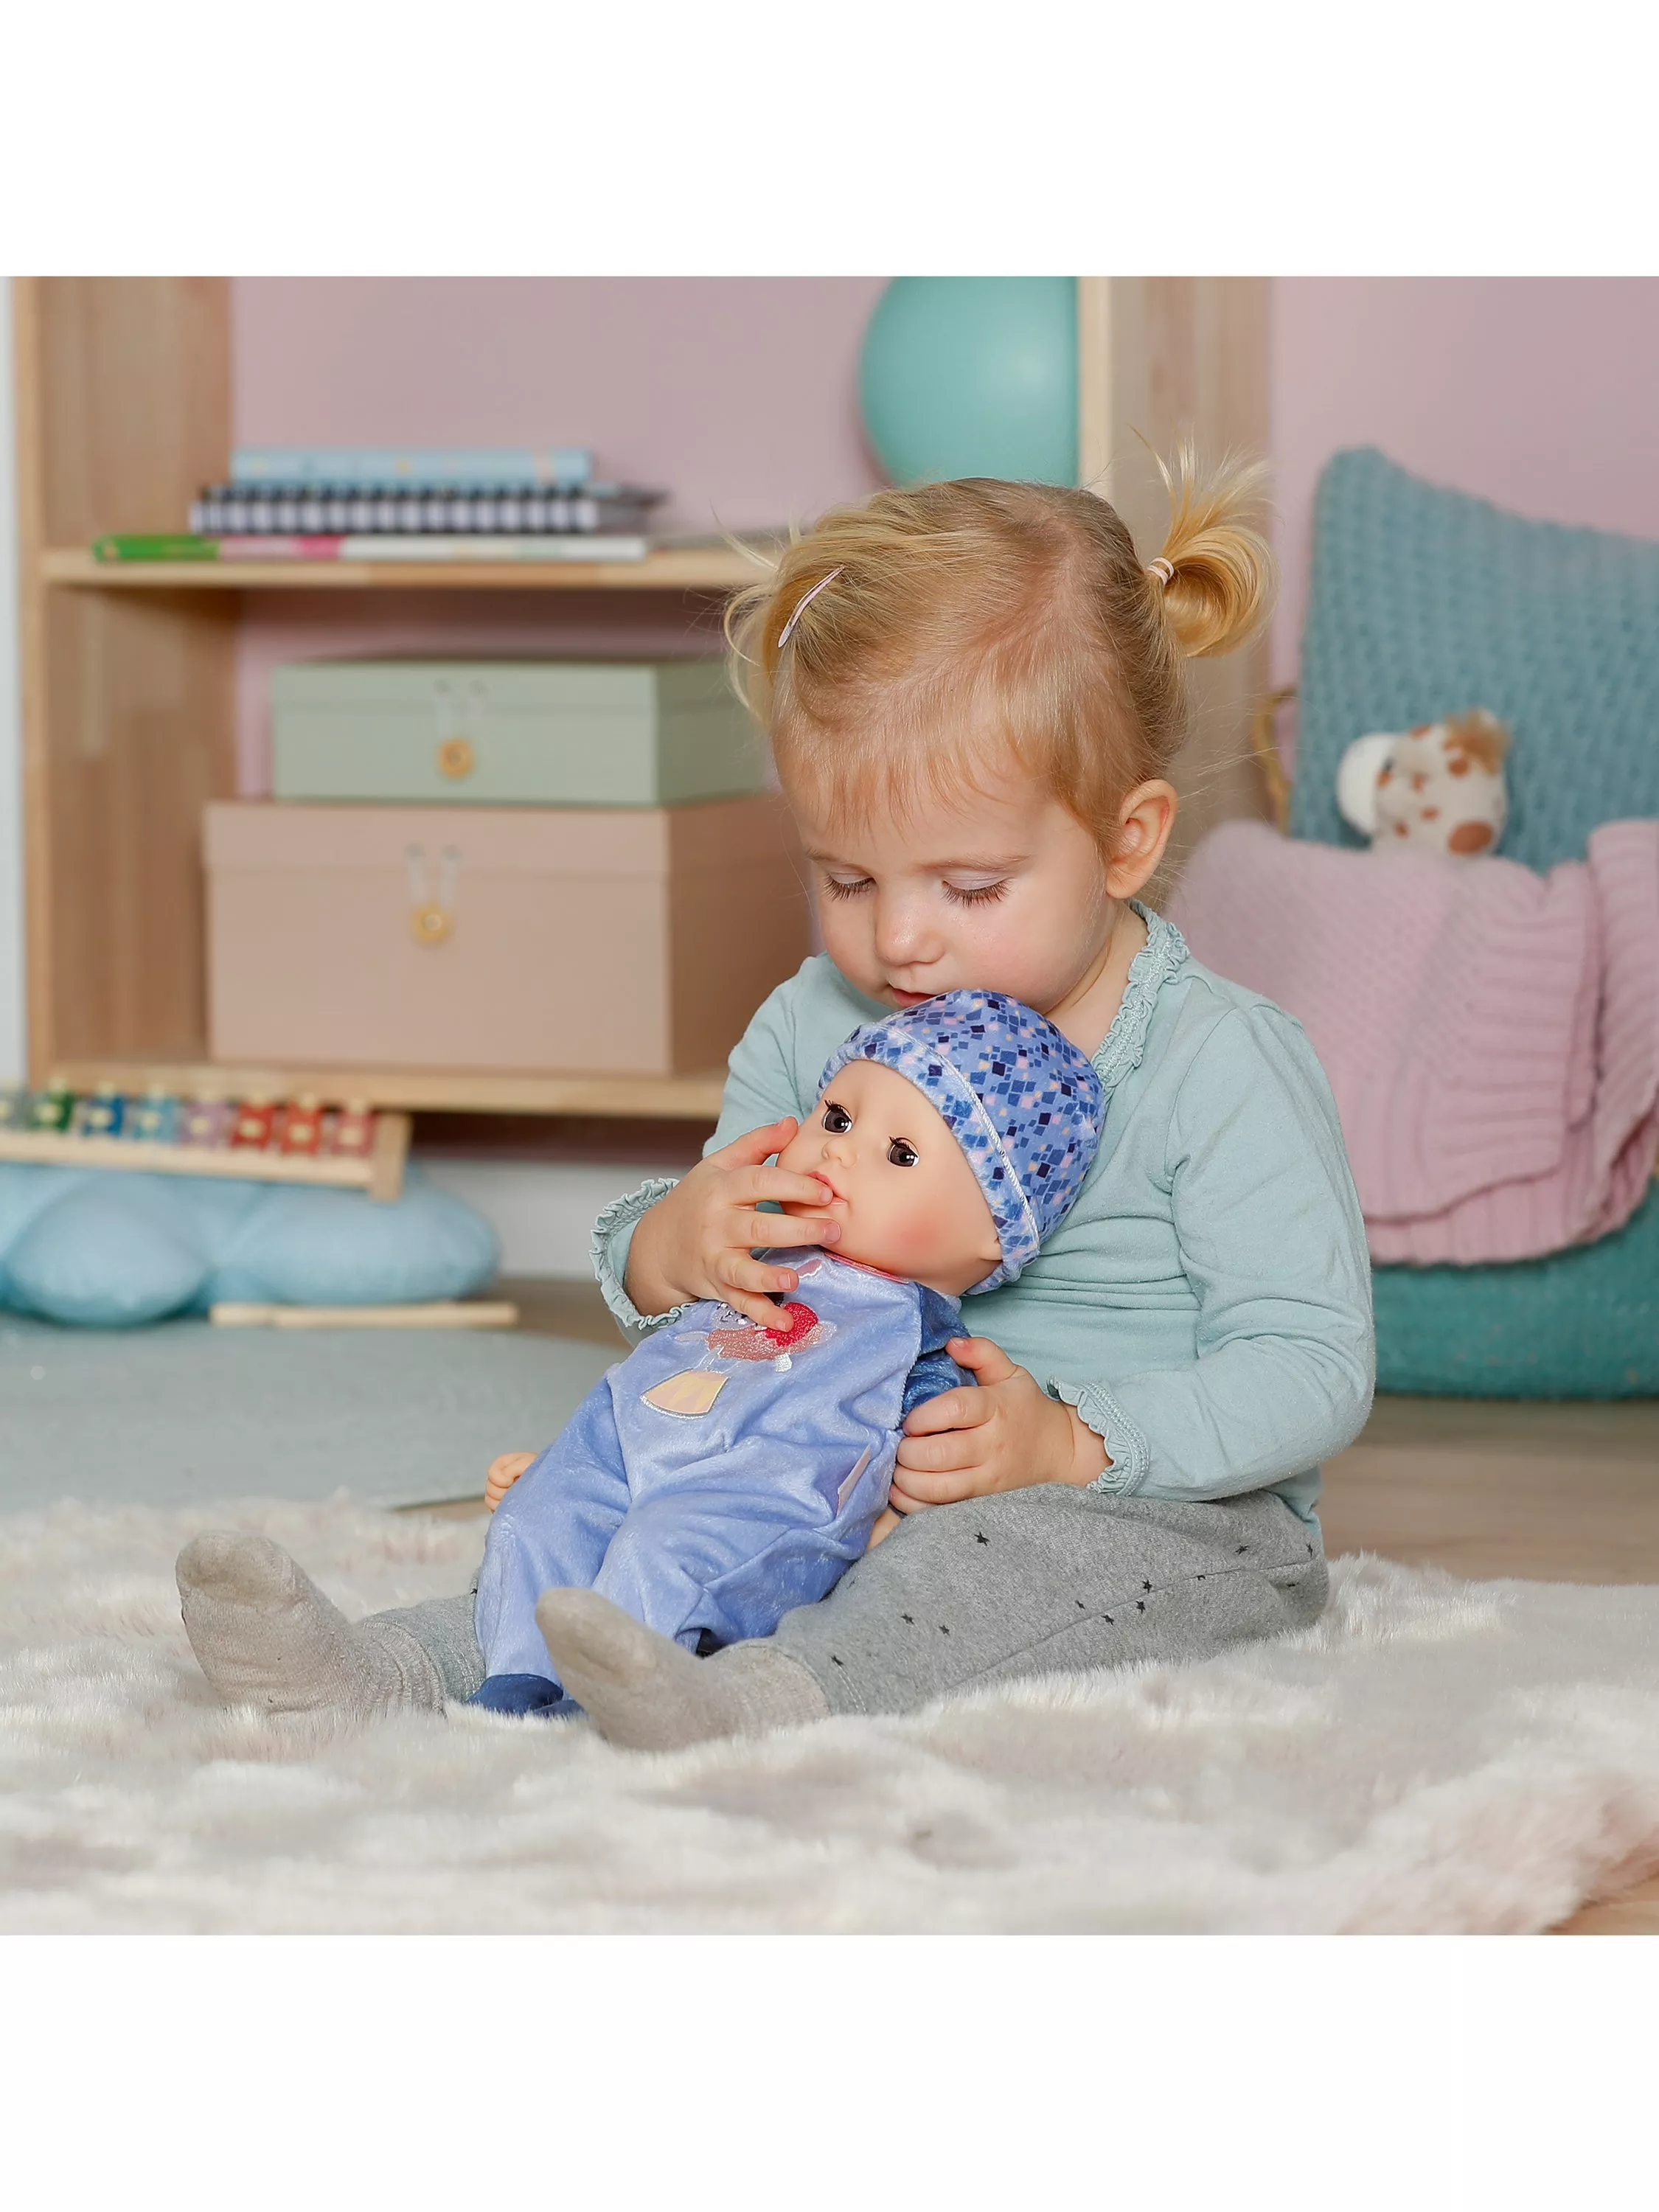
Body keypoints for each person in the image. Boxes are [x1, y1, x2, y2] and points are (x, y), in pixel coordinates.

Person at [175, 453, 1374, 1744]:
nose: (903, 940)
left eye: (968, 887)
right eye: (848, 879)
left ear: (1126, 840)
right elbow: (723, 1313)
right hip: (833, 1464)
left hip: (1151, 1513)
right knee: (603, 1519)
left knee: (969, 1573)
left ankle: (746, 1700)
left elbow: (1311, 1366)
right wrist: (673, 1243)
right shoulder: (821, 1026)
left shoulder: (1217, 1061)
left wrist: (1072, 1441)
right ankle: (381, 1667)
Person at [453, 991, 1103, 1716]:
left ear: (992, 1234)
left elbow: (931, 1446)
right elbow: (679, 1346)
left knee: (660, 1554)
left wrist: (891, 1518)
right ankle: (514, 1687)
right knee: (532, 1522)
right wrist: (561, 1465)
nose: (837, 1150)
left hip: (760, 1497)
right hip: (629, 1443)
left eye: (900, 1153)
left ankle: (603, 1707)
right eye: (837, 1117)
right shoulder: (749, 1246)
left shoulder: (914, 1334)